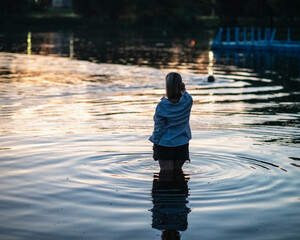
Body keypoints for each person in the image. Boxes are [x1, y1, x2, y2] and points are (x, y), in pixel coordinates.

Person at [149, 72, 193, 171]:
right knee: (178, 175)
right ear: (180, 85)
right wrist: (183, 90)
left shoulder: (162, 106)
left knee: (165, 176)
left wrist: (155, 143)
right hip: (182, 144)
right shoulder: (187, 101)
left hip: (165, 145)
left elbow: (159, 128)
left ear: (167, 86)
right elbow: (187, 96)